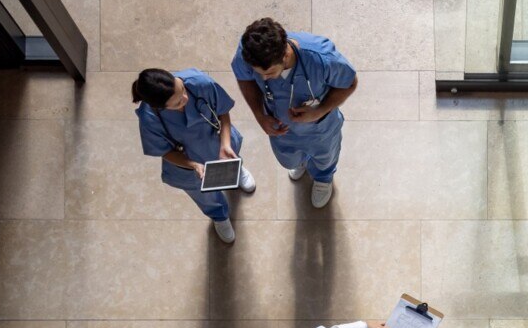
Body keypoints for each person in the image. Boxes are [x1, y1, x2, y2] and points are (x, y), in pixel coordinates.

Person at [231, 17, 358, 208]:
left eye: (269, 73)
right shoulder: (248, 54)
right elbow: (244, 78)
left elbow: (350, 82)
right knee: (289, 159)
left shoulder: (322, 59)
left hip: (320, 129)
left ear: (284, 55)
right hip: (281, 128)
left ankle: (323, 179)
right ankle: (301, 162)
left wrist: (319, 111)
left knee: (325, 159)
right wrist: (259, 115)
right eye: (259, 73)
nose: (263, 78)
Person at [132, 67, 255, 243]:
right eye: (176, 104)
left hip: (217, 142)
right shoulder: (149, 118)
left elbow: (222, 112)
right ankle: (219, 216)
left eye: (181, 90)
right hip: (188, 163)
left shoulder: (200, 82)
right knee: (205, 195)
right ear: (159, 107)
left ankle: (237, 171)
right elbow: (165, 152)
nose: (185, 99)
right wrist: (193, 165)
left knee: (231, 157)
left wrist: (225, 143)